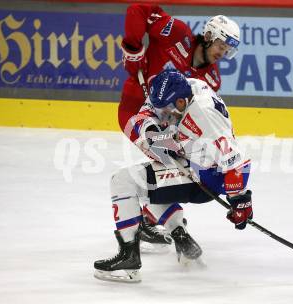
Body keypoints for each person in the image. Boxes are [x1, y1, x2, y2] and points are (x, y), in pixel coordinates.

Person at [94, 70, 253, 282]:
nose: (164, 114)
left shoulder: (204, 115)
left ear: (180, 101)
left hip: (204, 178)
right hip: (191, 158)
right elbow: (147, 113)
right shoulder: (186, 87)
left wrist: (240, 199)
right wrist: (153, 134)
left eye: (168, 109)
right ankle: (180, 236)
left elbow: (236, 161)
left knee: (123, 182)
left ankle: (128, 261)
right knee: (144, 186)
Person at [118, 3, 241, 250]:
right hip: (135, 112)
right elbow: (138, 10)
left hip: (166, 127)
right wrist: (134, 48)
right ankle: (172, 228)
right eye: (221, 45)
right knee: (160, 169)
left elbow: (196, 114)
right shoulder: (177, 34)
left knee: (167, 171)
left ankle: (154, 219)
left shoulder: (211, 78)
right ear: (208, 36)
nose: (222, 52)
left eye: (227, 50)